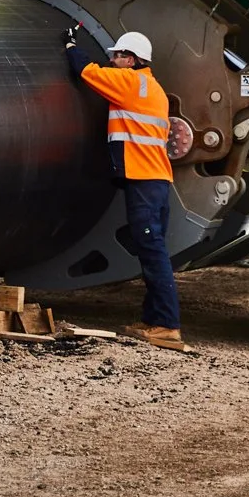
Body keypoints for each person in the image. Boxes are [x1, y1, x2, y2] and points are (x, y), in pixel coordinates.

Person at [64, 27, 191, 353]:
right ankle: (153, 320)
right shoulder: (155, 89)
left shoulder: (129, 83)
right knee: (151, 250)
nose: (112, 59)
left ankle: (167, 326)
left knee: (153, 253)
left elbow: (86, 71)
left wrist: (69, 43)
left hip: (144, 182)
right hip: (156, 181)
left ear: (132, 59)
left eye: (117, 55)